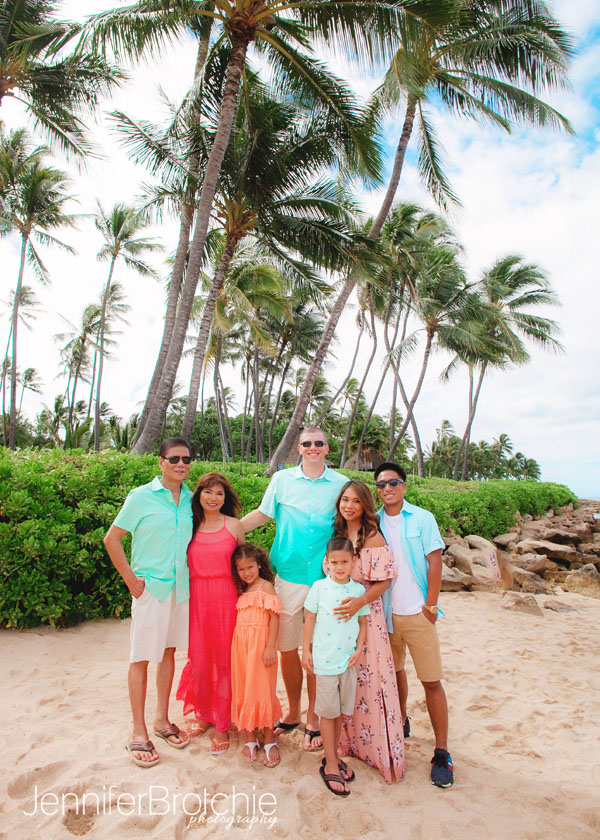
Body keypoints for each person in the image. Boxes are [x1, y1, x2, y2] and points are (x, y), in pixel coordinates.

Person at [241, 427, 347, 751]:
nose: (312, 448)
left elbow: (351, 523)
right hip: (286, 576)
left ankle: (314, 718)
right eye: (306, 444)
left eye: (318, 443)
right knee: (287, 649)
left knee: (315, 651)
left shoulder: (342, 484)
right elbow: (262, 514)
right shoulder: (281, 482)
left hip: (325, 580)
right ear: (298, 449)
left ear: (327, 447)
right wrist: (228, 529)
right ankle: (292, 712)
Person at [104, 437, 193, 767]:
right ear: (160, 462)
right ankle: (138, 730)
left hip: (180, 591)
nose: (180, 464)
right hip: (150, 589)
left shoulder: (192, 500)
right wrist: (130, 580)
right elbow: (112, 539)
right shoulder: (140, 497)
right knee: (141, 657)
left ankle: (161, 720)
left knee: (168, 653)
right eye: (174, 459)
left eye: (186, 459)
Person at [374, 461, 453, 788]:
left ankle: (442, 752)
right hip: (386, 614)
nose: (387, 488)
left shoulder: (422, 518)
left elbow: (435, 560)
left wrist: (431, 605)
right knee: (394, 674)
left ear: (404, 485)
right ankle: (402, 720)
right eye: (381, 484)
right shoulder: (373, 522)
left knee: (431, 681)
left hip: (418, 613)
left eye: (393, 482)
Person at [331, 480, 405, 784]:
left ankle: (376, 748)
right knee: (347, 682)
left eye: (356, 501)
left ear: (365, 506)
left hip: (367, 618)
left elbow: (384, 582)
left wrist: (360, 602)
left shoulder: (372, 537)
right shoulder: (338, 534)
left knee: (371, 682)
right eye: (345, 500)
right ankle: (348, 741)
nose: (349, 506)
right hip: (340, 620)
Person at [176, 472, 245, 755]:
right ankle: (204, 715)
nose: (213, 498)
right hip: (195, 599)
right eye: (208, 492)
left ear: (225, 498)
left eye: (219, 493)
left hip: (227, 597)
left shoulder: (234, 525)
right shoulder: (189, 525)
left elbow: (244, 565)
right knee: (200, 659)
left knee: (225, 660)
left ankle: (222, 724)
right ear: (199, 495)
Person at [302, 537, 369, 796]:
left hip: (347, 662)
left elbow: (363, 624)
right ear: (326, 563)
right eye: (334, 562)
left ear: (353, 561)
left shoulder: (358, 591)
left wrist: (359, 649)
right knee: (327, 714)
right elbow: (309, 620)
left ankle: (334, 755)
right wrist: (305, 650)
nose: (339, 567)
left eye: (344, 562)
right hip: (325, 662)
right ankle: (330, 763)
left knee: (339, 712)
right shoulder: (319, 587)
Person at [230, 544, 283, 768]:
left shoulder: (266, 587)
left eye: (250, 567)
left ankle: (269, 739)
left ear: (259, 564)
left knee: (262, 688)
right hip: (241, 646)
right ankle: (250, 736)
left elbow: (275, 618)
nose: (247, 573)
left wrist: (271, 646)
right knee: (244, 687)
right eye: (241, 569)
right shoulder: (242, 590)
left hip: (261, 646)